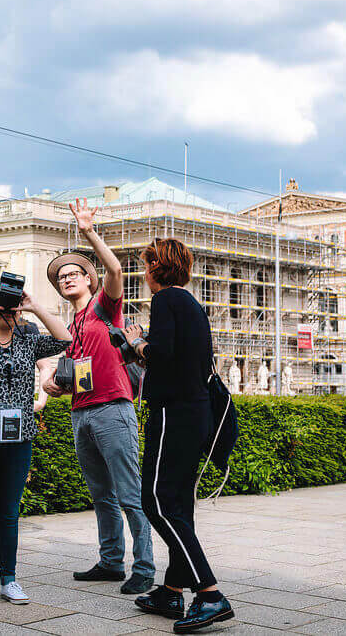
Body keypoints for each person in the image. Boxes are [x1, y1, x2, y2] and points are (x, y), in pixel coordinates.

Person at [41, 198, 155, 595]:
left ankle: (144, 567)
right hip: (82, 412)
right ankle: (111, 562)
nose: (68, 279)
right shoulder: (73, 325)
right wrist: (56, 386)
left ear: (90, 281)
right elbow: (76, 375)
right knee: (101, 495)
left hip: (113, 409)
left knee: (128, 492)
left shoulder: (105, 307)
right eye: (62, 277)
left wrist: (88, 231)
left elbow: (116, 268)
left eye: (75, 274)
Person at [123, 238, 234, 633]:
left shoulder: (166, 299)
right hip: (194, 412)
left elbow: (162, 354)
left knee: (156, 501)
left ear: (157, 268)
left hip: (174, 412)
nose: (143, 273)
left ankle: (209, 594)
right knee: (179, 504)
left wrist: (136, 341)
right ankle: (171, 590)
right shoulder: (189, 302)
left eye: (145, 265)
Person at [0, 275, 71, 612]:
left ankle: (9, 578)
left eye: (6, 297)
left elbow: (64, 339)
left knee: (9, 513)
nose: (2, 302)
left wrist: (33, 306)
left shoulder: (29, 341)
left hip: (20, 436)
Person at [0, 298, 50, 552]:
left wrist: (33, 306)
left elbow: (56, 350)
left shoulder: (26, 334)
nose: (3, 301)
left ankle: (1, 542)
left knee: (9, 498)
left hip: (17, 427)